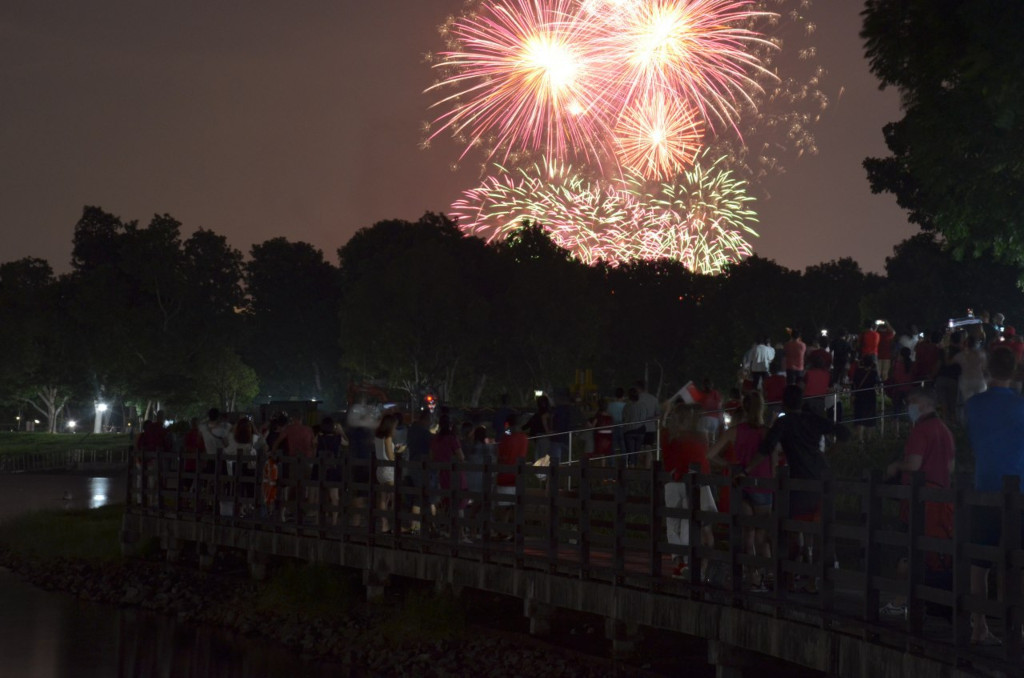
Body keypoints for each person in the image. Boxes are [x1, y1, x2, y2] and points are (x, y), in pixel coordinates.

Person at [737, 385, 850, 592]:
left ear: (784, 403)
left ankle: (789, 579)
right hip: (822, 477)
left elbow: (766, 449)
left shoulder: (784, 422)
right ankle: (813, 582)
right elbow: (843, 432)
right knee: (819, 533)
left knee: (792, 531)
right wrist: (829, 454)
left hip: (800, 482)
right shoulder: (812, 419)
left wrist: (746, 471)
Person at [964, 346, 1024, 645]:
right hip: (1019, 490)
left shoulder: (973, 406)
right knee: (1018, 561)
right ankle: (1017, 629)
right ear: (1014, 371)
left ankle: (979, 626)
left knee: (979, 563)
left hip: (984, 485)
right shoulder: (1021, 406)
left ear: (988, 370)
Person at [881, 388, 955, 617]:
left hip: (918, 500)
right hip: (941, 500)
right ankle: (928, 601)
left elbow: (914, 464)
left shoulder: (921, 430)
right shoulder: (945, 430)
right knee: (934, 552)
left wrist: (895, 466)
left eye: (912, 402)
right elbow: (951, 467)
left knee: (907, 551)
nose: (908, 406)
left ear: (924, 404)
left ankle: (900, 601)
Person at [708, 391, 773, 590]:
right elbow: (774, 459)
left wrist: (729, 465)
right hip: (763, 485)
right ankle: (768, 574)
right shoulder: (766, 432)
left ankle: (751, 575)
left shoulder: (735, 431)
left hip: (742, 484)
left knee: (748, 533)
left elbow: (710, 454)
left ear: (744, 407)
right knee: (763, 534)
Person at [661, 402, 717, 579]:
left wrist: (665, 414)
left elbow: (666, 455)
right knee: (687, 524)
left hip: (672, 481)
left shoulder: (670, 435)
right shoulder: (699, 436)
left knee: (673, 524)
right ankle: (686, 562)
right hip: (691, 482)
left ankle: (678, 562)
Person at [431, 414, 467, 538]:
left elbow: (432, 456)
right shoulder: (452, 439)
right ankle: (460, 533)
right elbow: (461, 457)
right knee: (459, 502)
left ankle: (448, 530)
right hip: (454, 474)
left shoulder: (436, 439)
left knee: (447, 502)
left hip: (442, 474)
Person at [495, 415, 529, 539]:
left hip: (505, 475)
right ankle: (517, 532)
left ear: (508, 425)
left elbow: (500, 456)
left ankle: (503, 532)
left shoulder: (506, 438)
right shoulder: (524, 439)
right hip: (518, 476)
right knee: (516, 507)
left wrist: (506, 431)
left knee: (504, 508)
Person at [373, 414, 401, 533]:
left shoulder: (377, 437)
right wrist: (399, 452)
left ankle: (384, 525)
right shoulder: (388, 438)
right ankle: (394, 525)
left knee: (383, 498)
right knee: (395, 498)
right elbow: (390, 457)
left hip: (380, 470)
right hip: (389, 471)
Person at [852, 355, 880, 442]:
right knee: (870, 417)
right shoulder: (874, 373)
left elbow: (854, 384)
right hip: (870, 397)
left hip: (859, 397)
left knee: (860, 417)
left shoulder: (858, 372)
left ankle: (860, 438)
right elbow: (877, 384)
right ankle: (869, 437)